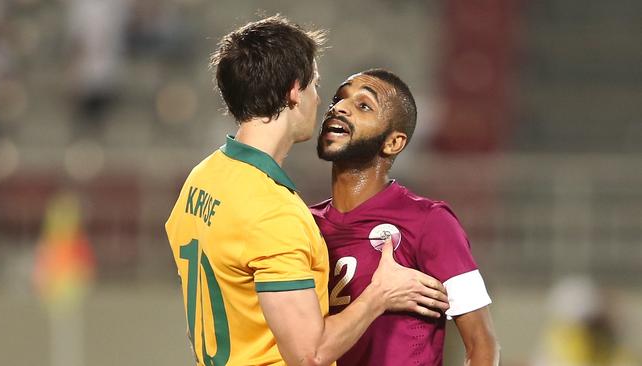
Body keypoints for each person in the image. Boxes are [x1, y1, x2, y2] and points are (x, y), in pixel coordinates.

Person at [165, 16, 449, 366]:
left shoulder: (202, 179)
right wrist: (380, 292)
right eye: (314, 85)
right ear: (294, 91)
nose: (321, 100)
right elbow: (309, 354)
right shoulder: (272, 213)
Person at [311, 68, 500, 366]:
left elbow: (482, 344)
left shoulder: (430, 221)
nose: (339, 107)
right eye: (338, 98)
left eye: (363, 106)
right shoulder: (304, 224)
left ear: (393, 143)